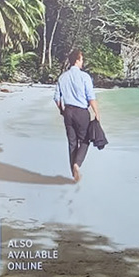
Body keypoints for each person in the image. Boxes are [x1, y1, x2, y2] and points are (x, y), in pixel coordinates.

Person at [55, 49, 98, 182]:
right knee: (85, 140)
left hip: (68, 111)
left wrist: (62, 111)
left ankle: (74, 175)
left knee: (72, 143)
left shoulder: (62, 77)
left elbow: (57, 98)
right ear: (77, 60)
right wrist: (97, 113)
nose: (82, 62)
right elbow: (90, 97)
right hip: (81, 112)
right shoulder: (84, 77)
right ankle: (77, 165)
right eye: (82, 59)